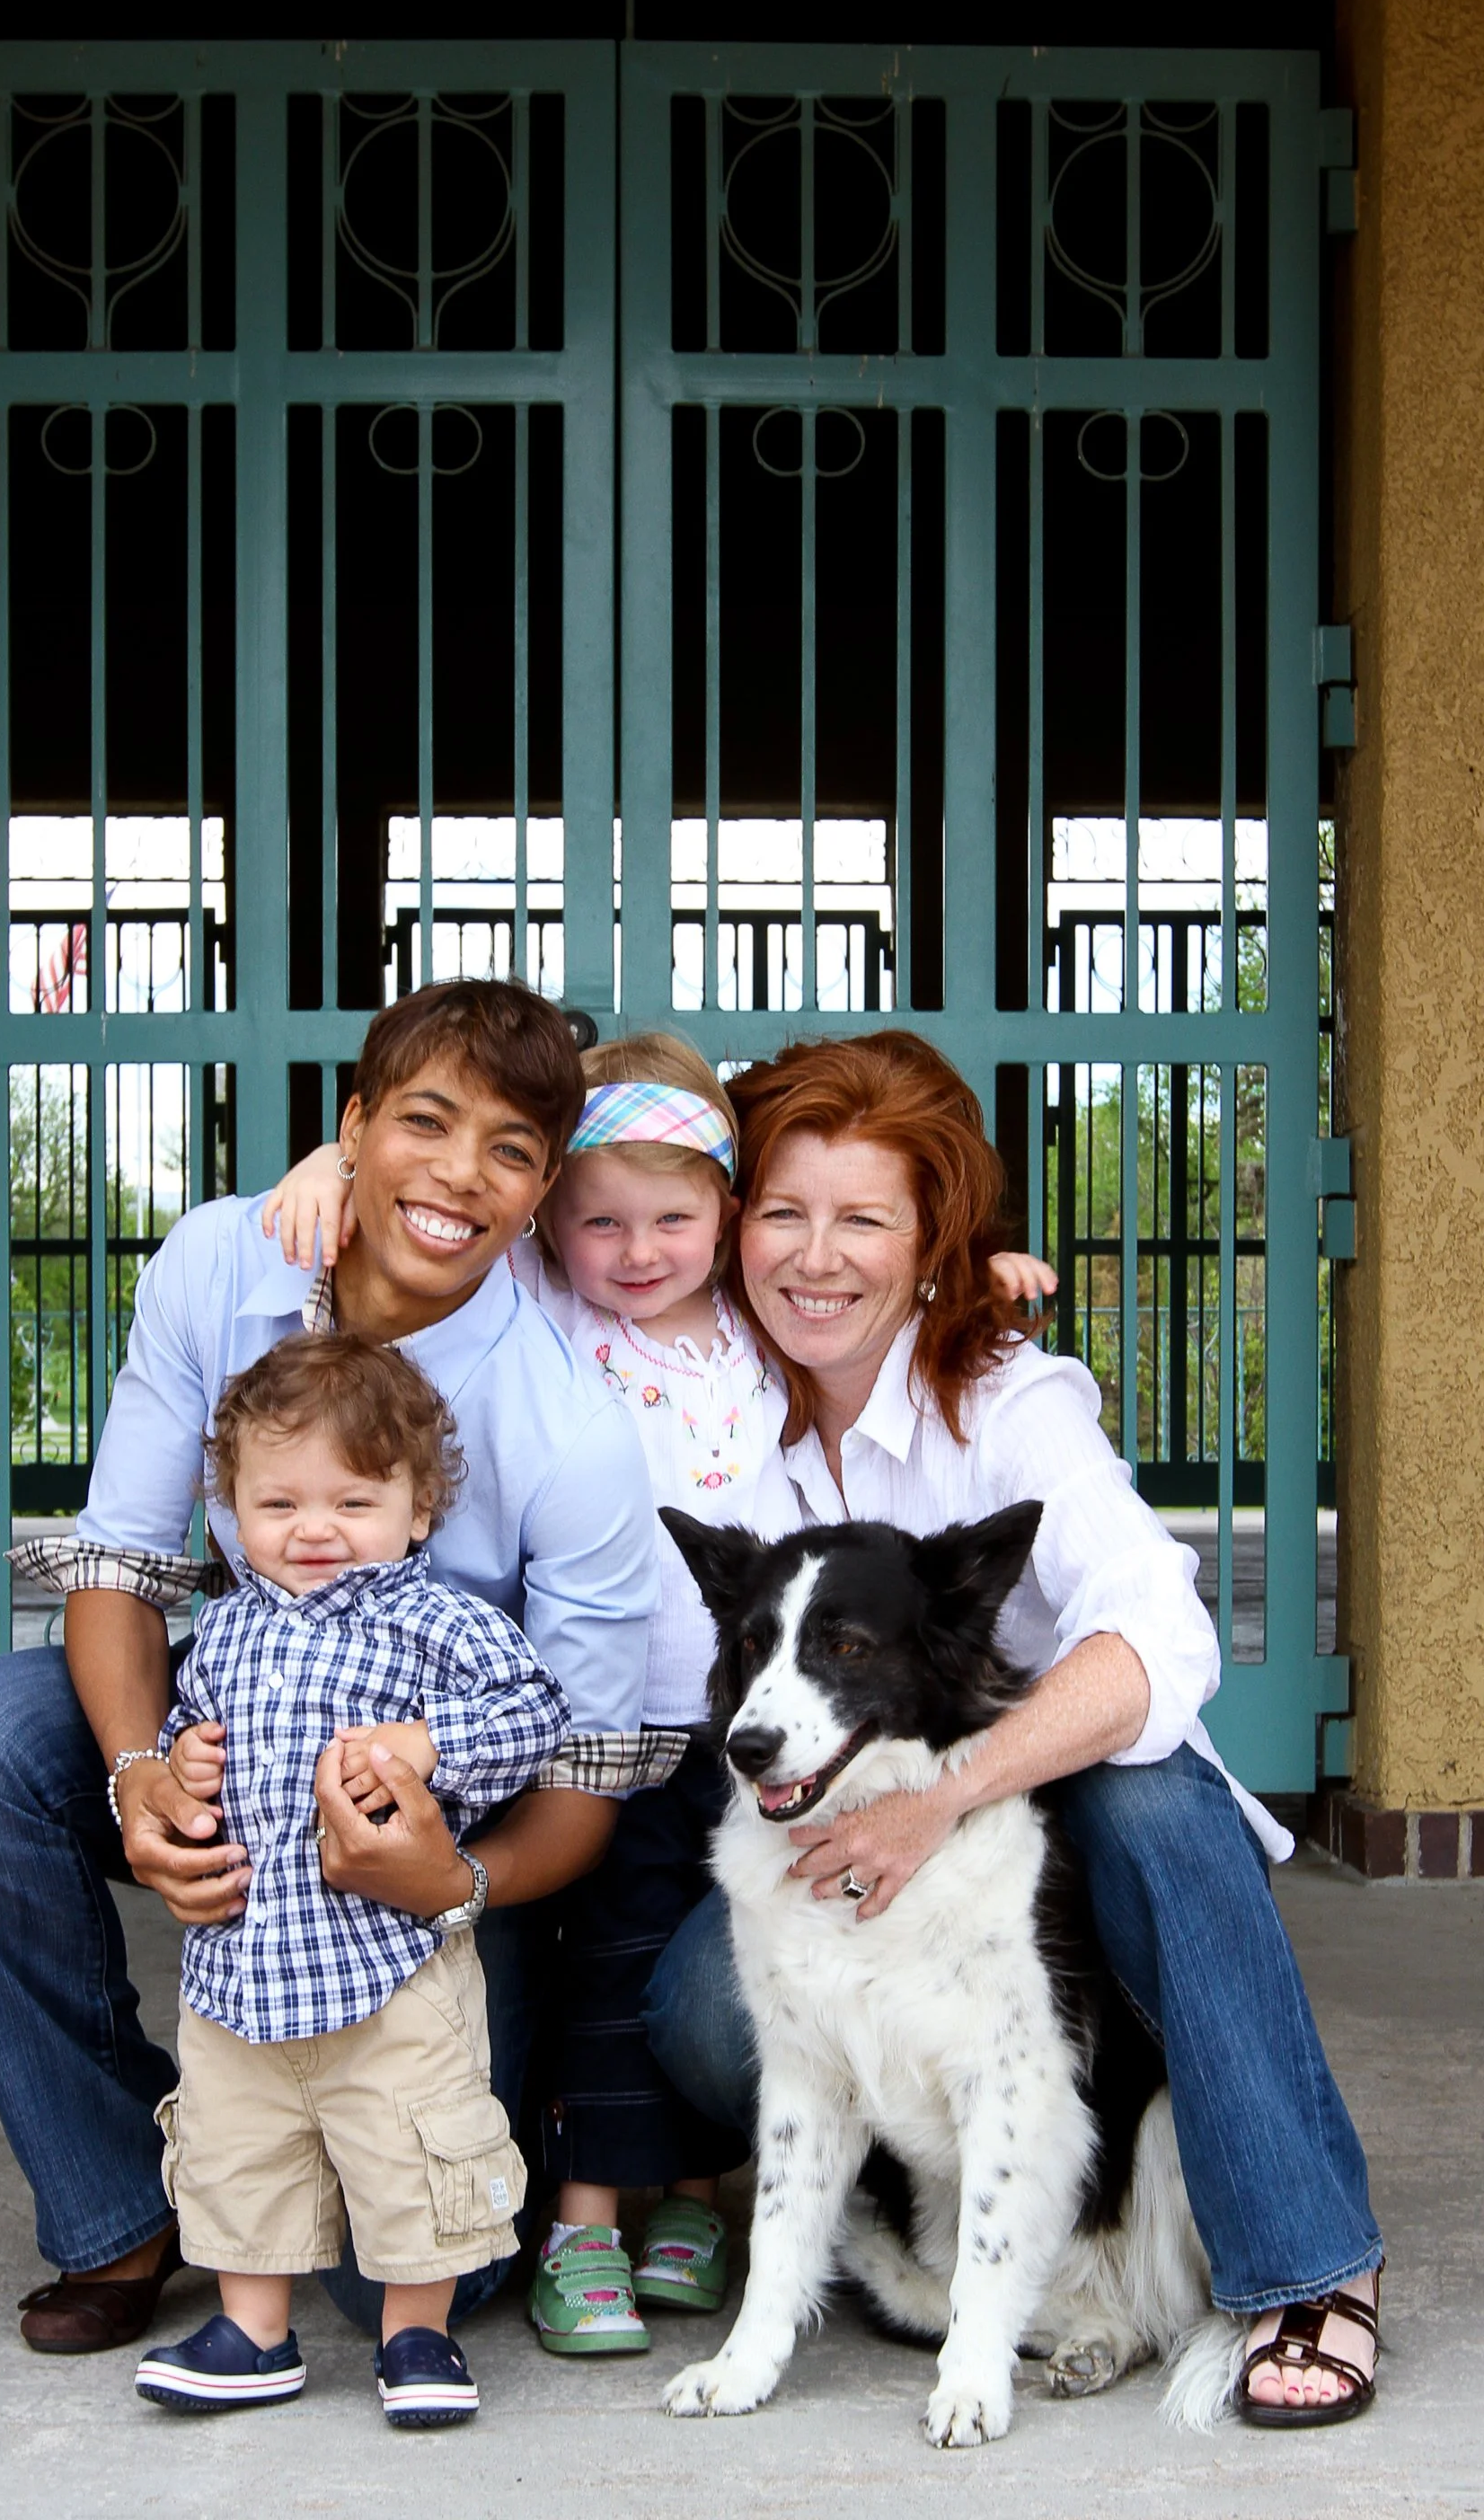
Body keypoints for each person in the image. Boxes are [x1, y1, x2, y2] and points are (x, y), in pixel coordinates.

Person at [0, 979, 660, 2356]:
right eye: (425, 1123)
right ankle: (120, 2208)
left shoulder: (570, 1427)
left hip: (451, 1798)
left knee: (403, 2290)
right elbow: (125, 1569)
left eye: (509, 1151)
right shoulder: (217, 1265)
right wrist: (139, 1777)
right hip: (241, 1695)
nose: (456, 1176)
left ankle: (512, 2093)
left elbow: (586, 1769)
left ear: (542, 1190)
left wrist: (457, 1883)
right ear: (353, 1128)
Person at [265, 1031, 1053, 2363]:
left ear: (728, 1220)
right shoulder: (546, 1307)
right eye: (601, 1222)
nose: (637, 1251)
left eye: (676, 1219)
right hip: (575, 1730)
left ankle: (690, 2207)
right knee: (607, 1967)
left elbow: (856, 1276)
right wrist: (332, 1162)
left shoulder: (751, 1315)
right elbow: (448, 1216)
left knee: (716, 1970)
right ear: (553, 1226)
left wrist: (986, 1267)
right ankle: (581, 2220)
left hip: (731, 1734)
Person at [639, 1029, 1382, 2429]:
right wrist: (328, 1176)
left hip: (1042, 1844)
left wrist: (943, 1800)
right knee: (699, 2014)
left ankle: (1310, 2266)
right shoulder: (715, 1387)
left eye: (866, 1220)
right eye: (786, 1214)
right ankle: (954, 2238)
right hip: (839, 1830)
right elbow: (555, 1241)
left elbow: (1161, 1639)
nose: (816, 1257)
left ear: (935, 1246)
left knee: (1150, 1796)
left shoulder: (1008, 1396)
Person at [132, 1331, 569, 2424]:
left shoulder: (434, 1621)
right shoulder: (222, 1628)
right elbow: (189, 1728)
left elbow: (535, 1714)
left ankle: (417, 2336)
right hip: (240, 1959)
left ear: (418, 1507)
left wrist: (430, 1745)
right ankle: (253, 2330)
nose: (316, 1530)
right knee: (241, 2149)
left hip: (390, 1961)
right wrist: (183, 1757)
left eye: (354, 1503)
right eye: (278, 1508)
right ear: (230, 1513)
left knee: (412, 2146)